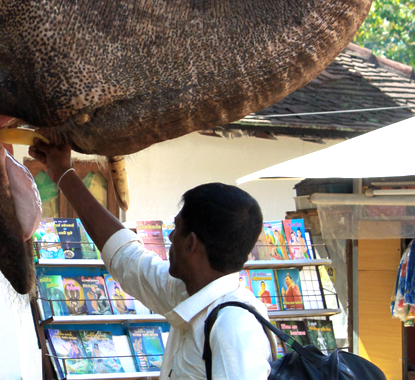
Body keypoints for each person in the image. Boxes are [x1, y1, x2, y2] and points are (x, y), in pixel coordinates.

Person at [30, 140, 275, 380]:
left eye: (176, 228)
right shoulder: (186, 293)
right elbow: (128, 258)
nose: (169, 235)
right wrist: (63, 173)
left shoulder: (233, 326)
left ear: (190, 244)